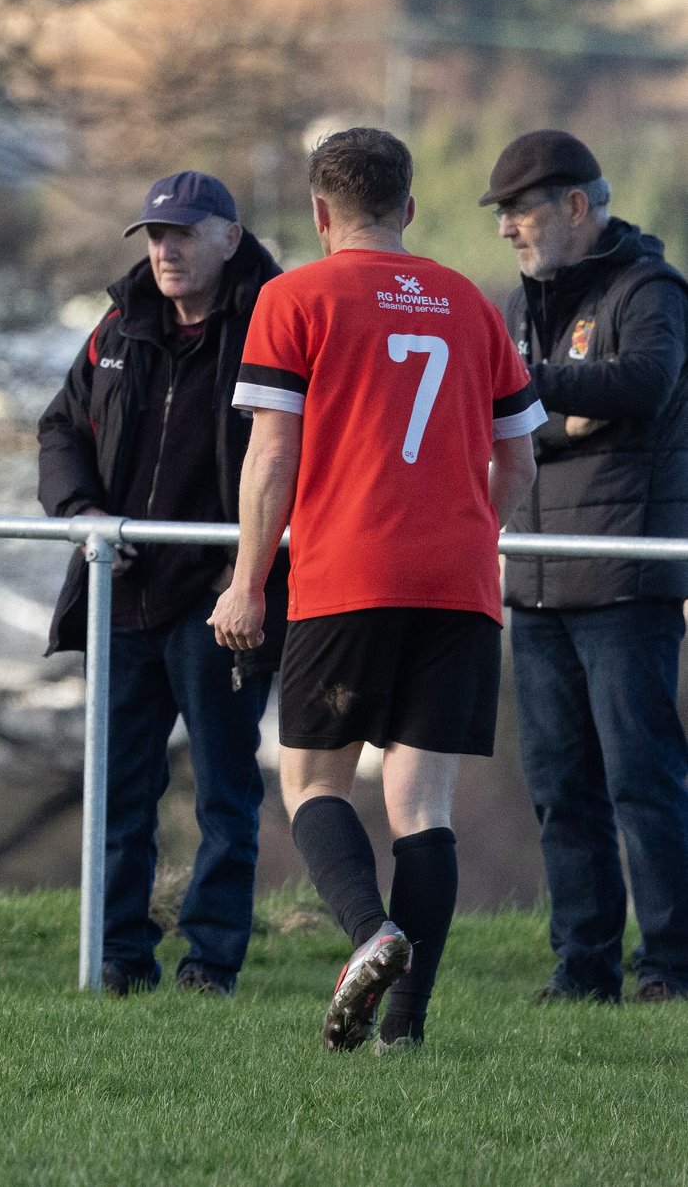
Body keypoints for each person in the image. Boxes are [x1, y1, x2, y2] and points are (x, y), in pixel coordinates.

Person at [211, 128, 543, 1054]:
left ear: (320, 214)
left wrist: (246, 582)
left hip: (349, 573)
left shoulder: (294, 296)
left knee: (311, 780)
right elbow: (516, 454)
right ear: (409, 207)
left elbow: (272, 453)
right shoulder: (471, 304)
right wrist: (479, 530)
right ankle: (406, 1028)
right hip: (459, 581)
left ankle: (371, 935)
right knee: (422, 807)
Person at [36, 170, 286, 998]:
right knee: (118, 792)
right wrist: (81, 511)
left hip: (225, 596)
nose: (165, 249)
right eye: (153, 234)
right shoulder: (119, 321)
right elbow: (61, 427)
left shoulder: (273, 322)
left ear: (229, 236)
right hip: (122, 594)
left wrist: (244, 575)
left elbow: (305, 455)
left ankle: (210, 963)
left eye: (182, 233)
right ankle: (117, 958)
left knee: (226, 791)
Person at [484, 129, 688, 1006]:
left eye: (520, 212)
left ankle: (672, 970)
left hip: (621, 580)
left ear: (576, 207)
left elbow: (642, 384)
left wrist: (533, 392)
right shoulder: (528, 302)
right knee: (561, 789)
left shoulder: (650, 291)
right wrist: (560, 407)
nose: (506, 232)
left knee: (642, 782)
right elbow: (519, 423)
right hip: (535, 576)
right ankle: (583, 970)